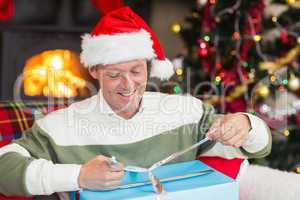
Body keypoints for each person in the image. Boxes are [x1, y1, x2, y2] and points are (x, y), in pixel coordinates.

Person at [0, 7, 271, 200]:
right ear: (94, 70)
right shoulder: (58, 127)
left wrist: (247, 124)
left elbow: (258, 146)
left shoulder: (186, 111)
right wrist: (78, 176)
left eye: (136, 71)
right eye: (114, 74)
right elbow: (4, 171)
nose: (128, 86)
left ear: (148, 67)